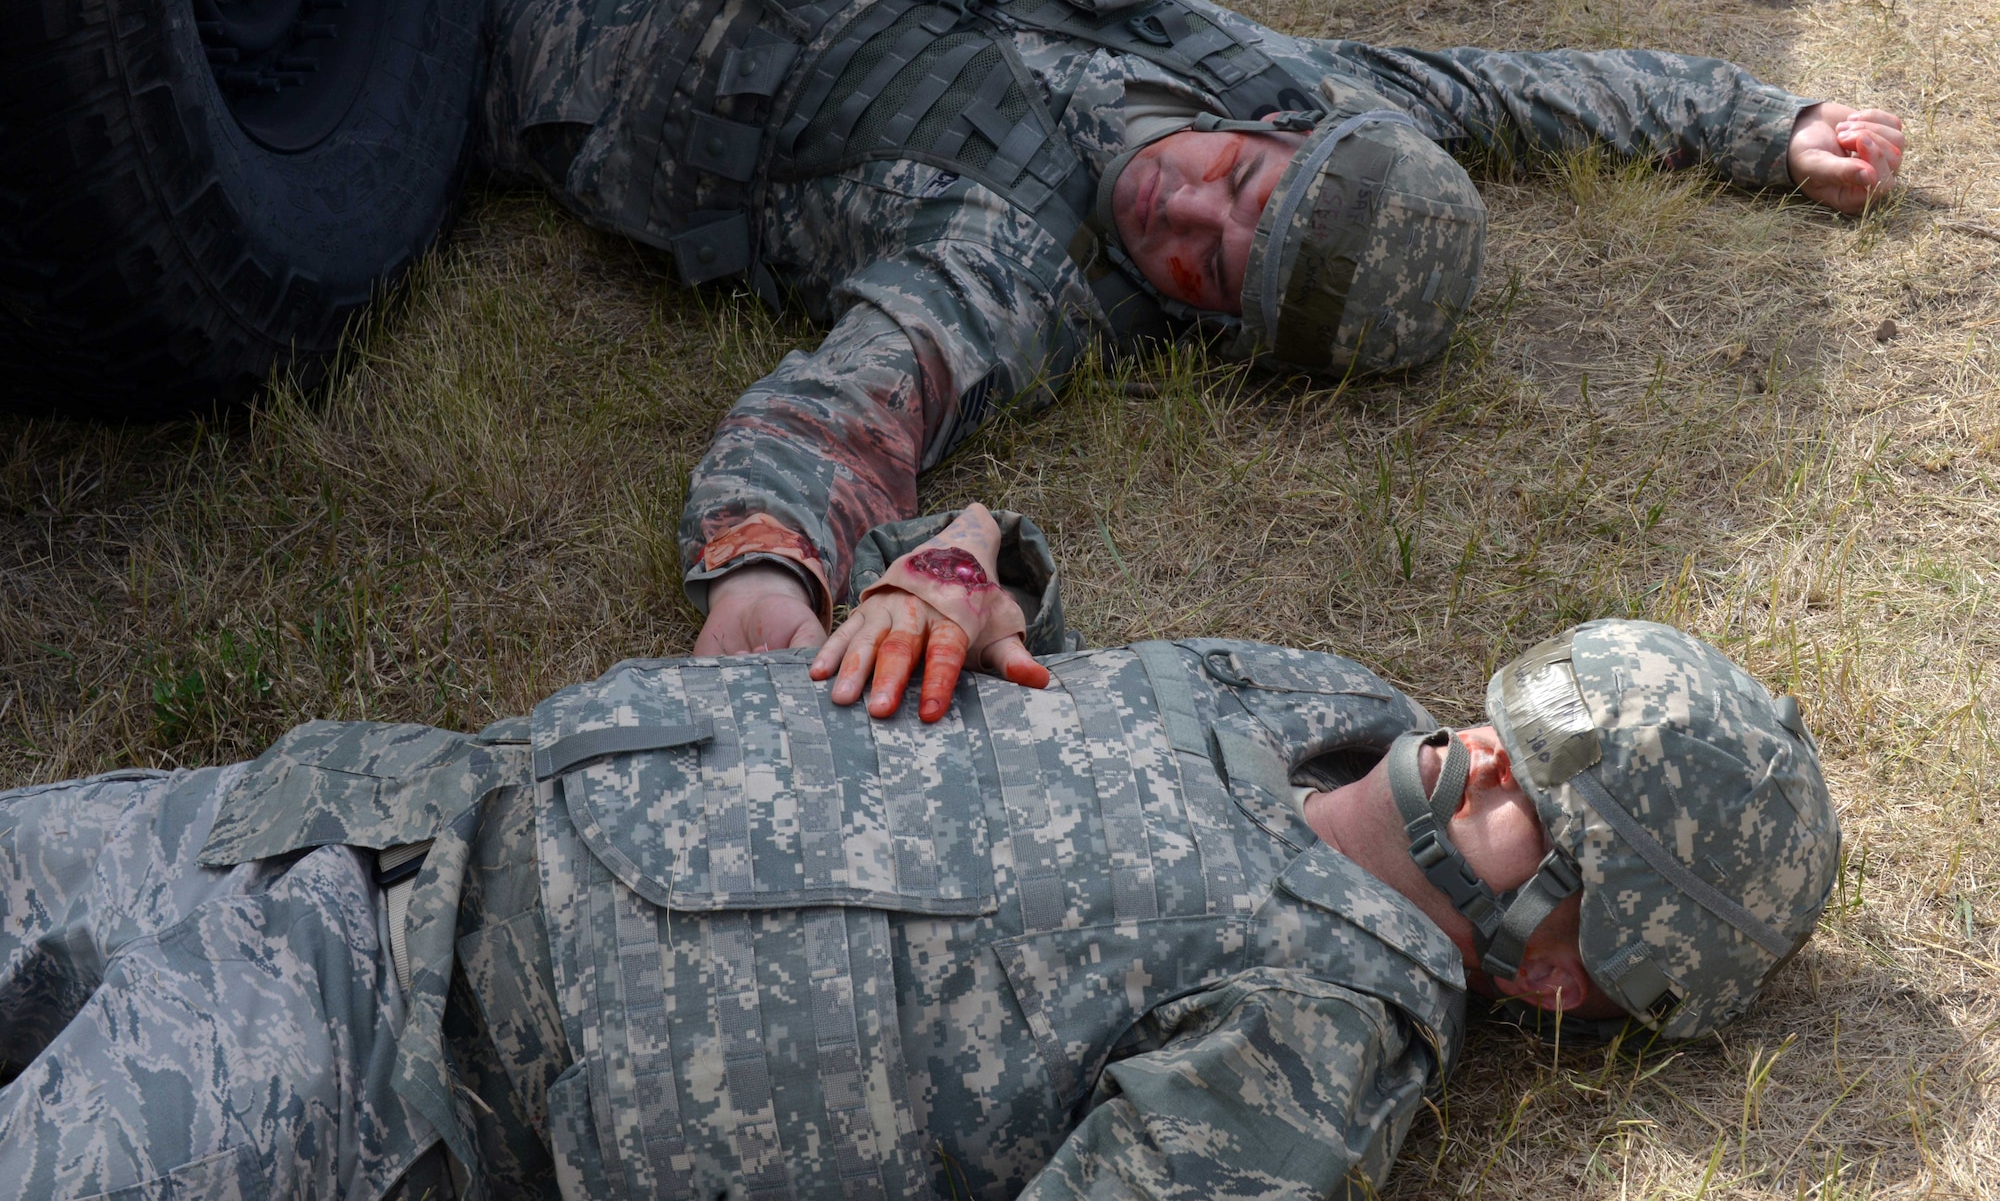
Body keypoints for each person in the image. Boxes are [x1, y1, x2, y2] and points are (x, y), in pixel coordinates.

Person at [0, 509, 1840, 1200]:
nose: (1490, 746)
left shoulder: (1325, 1034)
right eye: (1532, 710)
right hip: (341, 808)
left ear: (1562, 968)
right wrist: (959, 565)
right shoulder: (1319, 690)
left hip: (365, 1067)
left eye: (1548, 797)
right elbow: (1035, 611)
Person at [477, 0, 1905, 699]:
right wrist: (1764, 128)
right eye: (1240, 186)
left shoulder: (1018, 277)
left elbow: (844, 411)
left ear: (1212, 327)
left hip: (553, 40)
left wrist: (771, 564)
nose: (1188, 212)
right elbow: (1520, 91)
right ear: (1290, 136)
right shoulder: (1293, 85)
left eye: (1214, 271)